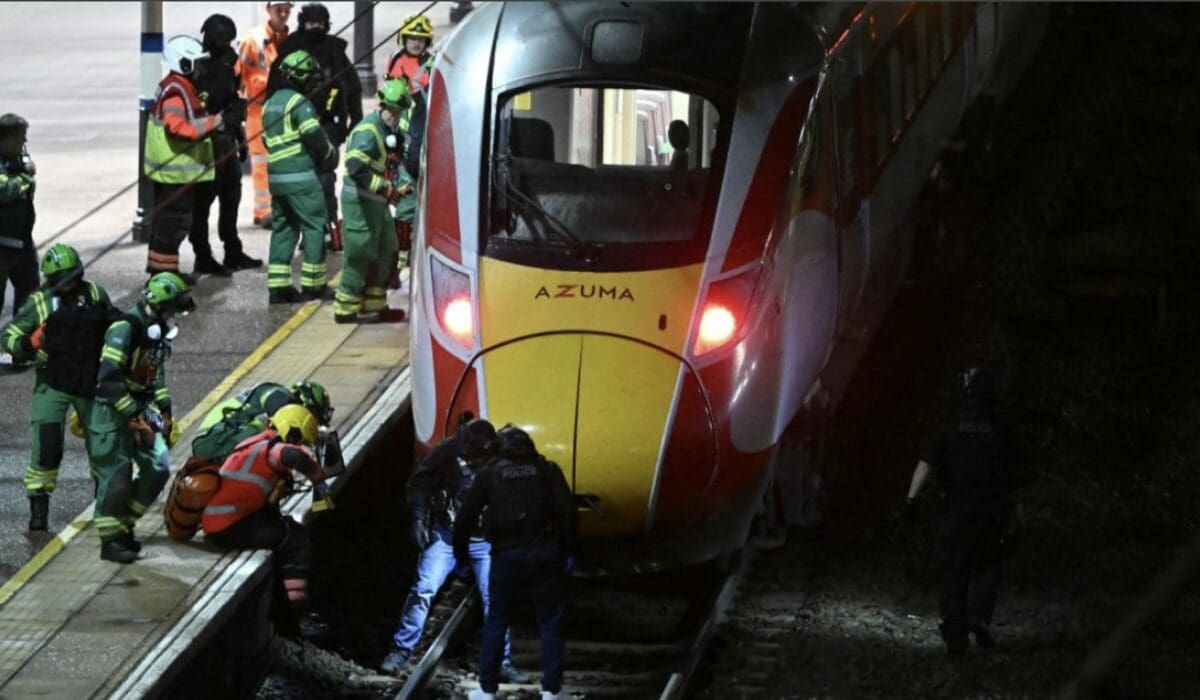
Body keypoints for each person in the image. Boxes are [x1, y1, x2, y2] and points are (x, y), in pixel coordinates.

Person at [379, 415, 527, 683]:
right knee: (424, 588)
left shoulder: (508, 461)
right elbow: (420, 481)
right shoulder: (448, 450)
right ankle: (400, 651)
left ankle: (500, 662)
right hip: (447, 535)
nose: (468, 462)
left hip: (486, 541)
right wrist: (418, 518)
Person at [456, 425, 577, 700]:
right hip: (544, 554)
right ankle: (551, 691)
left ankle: (487, 689)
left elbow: (466, 517)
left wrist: (461, 557)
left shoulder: (491, 473)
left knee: (497, 620)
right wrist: (569, 551)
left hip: (505, 557)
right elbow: (567, 513)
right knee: (550, 621)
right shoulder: (547, 470)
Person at [906, 366, 1019, 657]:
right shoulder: (1002, 427)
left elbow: (926, 463)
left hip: (956, 509)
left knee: (954, 570)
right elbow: (1012, 472)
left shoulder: (949, 424)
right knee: (988, 565)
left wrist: (911, 499)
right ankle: (978, 617)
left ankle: (955, 635)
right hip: (992, 510)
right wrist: (1017, 508)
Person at [0, 244, 114, 530]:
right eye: (64, 278)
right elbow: (9, 336)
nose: (71, 284)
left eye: (74, 276)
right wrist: (28, 344)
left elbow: (115, 325)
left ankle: (105, 505)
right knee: (47, 445)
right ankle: (39, 511)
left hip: (91, 380)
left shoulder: (95, 294)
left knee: (103, 444)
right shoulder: (38, 302)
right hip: (53, 382)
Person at [201, 404, 333, 639]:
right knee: (294, 543)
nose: (300, 445)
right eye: (300, 440)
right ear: (292, 433)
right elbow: (292, 456)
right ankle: (301, 617)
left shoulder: (255, 443)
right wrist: (319, 481)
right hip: (230, 525)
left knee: (290, 529)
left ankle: (288, 614)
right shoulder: (273, 450)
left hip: (225, 520)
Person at [89, 272, 196, 563]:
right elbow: (108, 379)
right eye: (172, 310)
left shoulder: (155, 331)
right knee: (117, 478)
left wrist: (165, 409)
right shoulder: (125, 329)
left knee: (158, 467)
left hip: (140, 408)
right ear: (160, 306)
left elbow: (154, 372)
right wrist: (134, 414)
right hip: (111, 413)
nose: (175, 316)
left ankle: (125, 524)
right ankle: (111, 541)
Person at [270, 2, 364, 250]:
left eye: (320, 24)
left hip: (328, 126)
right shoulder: (290, 48)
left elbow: (352, 87)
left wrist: (355, 120)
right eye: (311, 24)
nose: (316, 28)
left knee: (324, 180)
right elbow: (273, 88)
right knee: (302, 182)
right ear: (303, 24)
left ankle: (328, 228)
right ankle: (304, 230)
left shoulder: (334, 50)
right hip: (295, 127)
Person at [143, 35, 227, 283]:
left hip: (174, 174)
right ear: (184, 64)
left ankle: (164, 272)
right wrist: (215, 123)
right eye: (196, 64)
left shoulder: (178, 86)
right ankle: (164, 276)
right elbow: (178, 128)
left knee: (168, 225)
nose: (200, 70)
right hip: (175, 175)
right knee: (172, 225)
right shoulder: (176, 92)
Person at [262, 49, 337, 304]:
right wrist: (329, 152)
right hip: (301, 176)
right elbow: (313, 135)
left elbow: (265, 139)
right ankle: (314, 285)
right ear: (302, 78)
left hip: (277, 179)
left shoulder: (269, 104)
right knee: (315, 225)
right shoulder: (299, 103)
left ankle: (279, 288)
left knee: (284, 227)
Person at [333, 80, 410, 324]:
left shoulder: (387, 131)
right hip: (359, 202)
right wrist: (385, 187)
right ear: (382, 106)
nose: (395, 118)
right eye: (393, 113)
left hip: (376, 203)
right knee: (360, 252)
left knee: (386, 248)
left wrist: (392, 190)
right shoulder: (369, 131)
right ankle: (345, 308)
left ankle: (375, 304)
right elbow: (355, 168)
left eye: (398, 114)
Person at [191, 14, 262, 276]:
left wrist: (240, 136)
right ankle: (203, 255)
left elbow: (232, 98)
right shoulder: (197, 66)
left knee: (231, 198)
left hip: (227, 140)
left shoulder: (227, 62)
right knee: (203, 203)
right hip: (208, 144)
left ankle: (232, 251)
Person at [237, 1, 293, 229]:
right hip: (258, 110)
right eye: (278, 7)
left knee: (282, 159)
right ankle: (263, 210)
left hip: (283, 109)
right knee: (261, 162)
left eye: (287, 7)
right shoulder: (254, 40)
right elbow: (237, 72)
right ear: (268, 9)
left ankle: (277, 209)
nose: (283, 12)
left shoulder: (291, 40)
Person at [191, 380, 334, 464]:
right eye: (314, 418)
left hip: (222, 440)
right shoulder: (277, 393)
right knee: (269, 436)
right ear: (307, 404)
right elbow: (278, 406)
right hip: (215, 437)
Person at [385, 14, 434, 181]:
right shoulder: (395, 58)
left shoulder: (431, 62)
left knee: (413, 160)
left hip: (419, 116)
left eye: (421, 39)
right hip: (396, 114)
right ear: (403, 39)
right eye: (412, 38)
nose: (416, 43)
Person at [0, 113, 38, 322]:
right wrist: (25, 176)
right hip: (2, 245)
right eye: (21, 136)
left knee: (29, 297)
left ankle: (20, 347)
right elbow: (4, 189)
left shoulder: (19, 158)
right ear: (7, 138)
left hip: (22, 242)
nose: (25, 141)